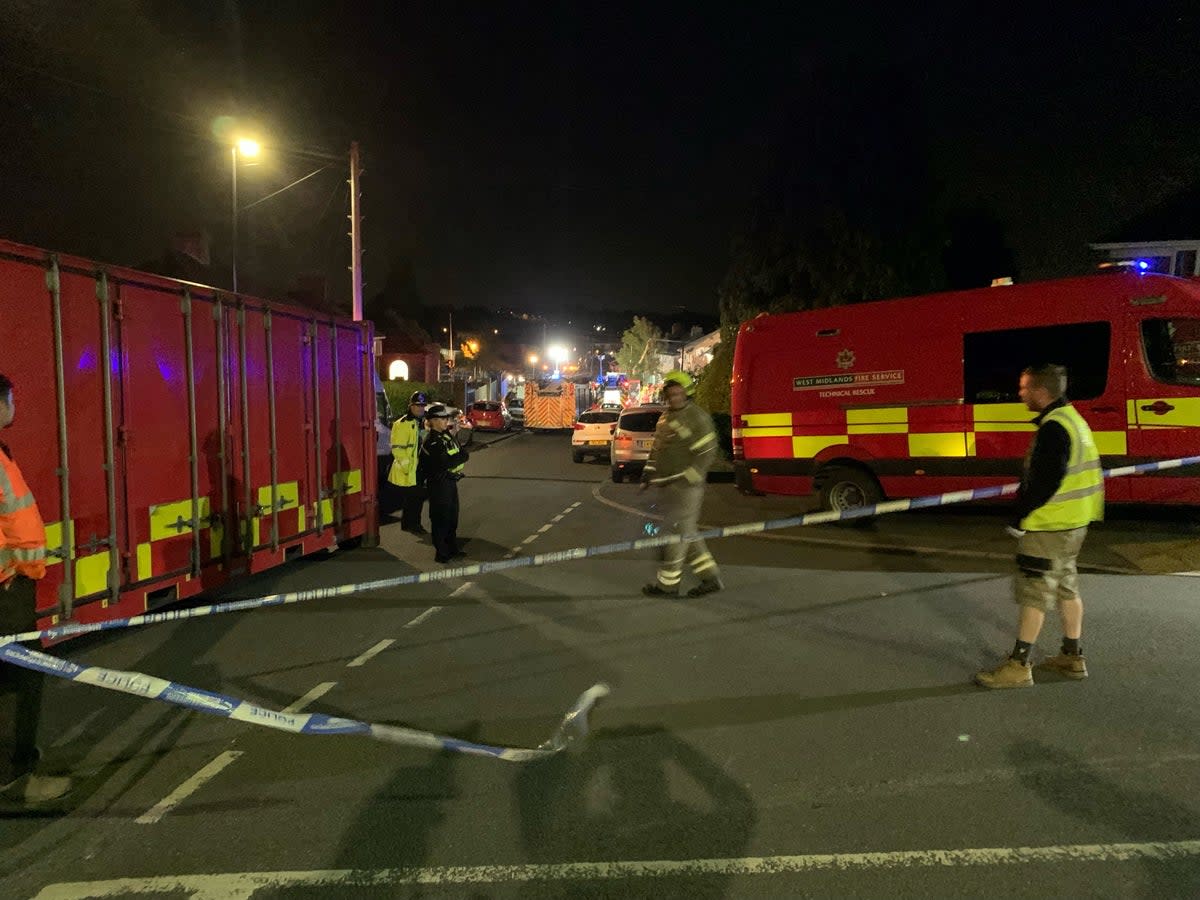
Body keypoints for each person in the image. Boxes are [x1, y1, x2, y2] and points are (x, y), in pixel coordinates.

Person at [976, 363, 1104, 689]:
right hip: (1075, 523)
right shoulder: (1074, 420)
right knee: (1066, 587)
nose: (1020, 394)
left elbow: (1044, 481)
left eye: (1023, 388)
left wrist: (1019, 517)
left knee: (1034, 593)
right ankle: (1072, 657)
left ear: (1040, 390)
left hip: (1050, 525)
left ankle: (1019, 666)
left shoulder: (1053, 427)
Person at [0, 373, 72, 804]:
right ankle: (14, 778)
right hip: (6, 588)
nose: (14, 407)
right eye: (10, 399)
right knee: (16, 680)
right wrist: (24, 570)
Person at [640, 371, 723, 597]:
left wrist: (691, 476)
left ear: (687, 393)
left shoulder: (697, 418)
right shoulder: (665, 418)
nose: (675, 398)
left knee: (675, 534)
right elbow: (656, 451)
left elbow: (707, 452)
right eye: (671, 394)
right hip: (667, 486)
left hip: (685, 489)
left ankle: (668, 586)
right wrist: (647, 473)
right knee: (687, 533)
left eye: (678, 393)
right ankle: (710, 578)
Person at [418, 404, 469, 564]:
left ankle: (452, 548)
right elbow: (444, 462)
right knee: (441, 518)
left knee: (452, 517)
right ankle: (441, 552)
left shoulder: (447, 436)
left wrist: (458, 458)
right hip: (439, 483)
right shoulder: (432, 441)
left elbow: (462, 453)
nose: (445, 421)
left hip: (451, 481)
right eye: (442, 419)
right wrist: (458, 458)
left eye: (446, 418)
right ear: (433, 421)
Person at [388, 390, 429, 534]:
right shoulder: (402, 424)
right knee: (414, 499)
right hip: (408, 469)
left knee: (413, 499)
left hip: (418, 468)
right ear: (410, 406)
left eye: (422, 406)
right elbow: (397, 449)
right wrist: (408, 467)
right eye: (417, 405)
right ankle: (414, 525)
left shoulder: (423, 423)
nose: (420, 408)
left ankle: (407, 524)